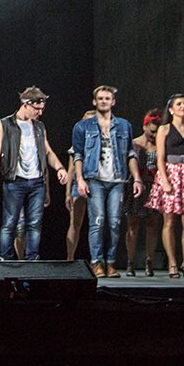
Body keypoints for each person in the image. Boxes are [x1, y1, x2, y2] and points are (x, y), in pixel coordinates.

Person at [0, 87, 70, 262]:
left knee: (34, 224)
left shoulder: (39, 126)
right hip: (15, 181)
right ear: (26, 104)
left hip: (36, 182)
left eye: (42, 109)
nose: (40, 113)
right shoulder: (5, 124)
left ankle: (32, 260)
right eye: (37, 109)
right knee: (10, 223)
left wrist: (60, 168)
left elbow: (47, 151)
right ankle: (5, 260)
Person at [72, 86, 142, 278]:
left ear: (113, 102)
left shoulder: (124, 126)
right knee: (98, 221)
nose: (104, 101)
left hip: (117, 179)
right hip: (94, 178)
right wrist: (80, 179)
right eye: (100, 98)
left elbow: (130, 154)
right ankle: (97, 262)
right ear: (94, 102)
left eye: (107, 98)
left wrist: (137, 178)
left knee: (114, 222)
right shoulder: (83, 126)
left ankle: (110, 263)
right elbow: (77, 155)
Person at [144, 94, 184, 278]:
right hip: (171, 173)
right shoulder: (164, 129)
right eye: (179, 104)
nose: (183, 106)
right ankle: (172, 263)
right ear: (171, 109)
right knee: (169, 221)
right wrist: (164, 180)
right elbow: (160, 158)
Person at [124, 110, 162, 276]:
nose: (154, 135)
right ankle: (130, 262)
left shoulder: (160, 144)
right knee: (133, 224)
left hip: (154, 185)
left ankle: (149, 261)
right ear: (144, 126)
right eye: (151, 131)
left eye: (157, 131)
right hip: (136, 185)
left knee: (152, 224)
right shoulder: (134, 143)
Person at [63, 111, 96, 264]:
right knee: (75, 222)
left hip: (97, 183)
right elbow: (71, 170)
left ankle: (97, 260)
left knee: (97, 223)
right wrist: (68, 193)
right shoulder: (77, 144)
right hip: (79, 183)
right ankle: (70, 258)